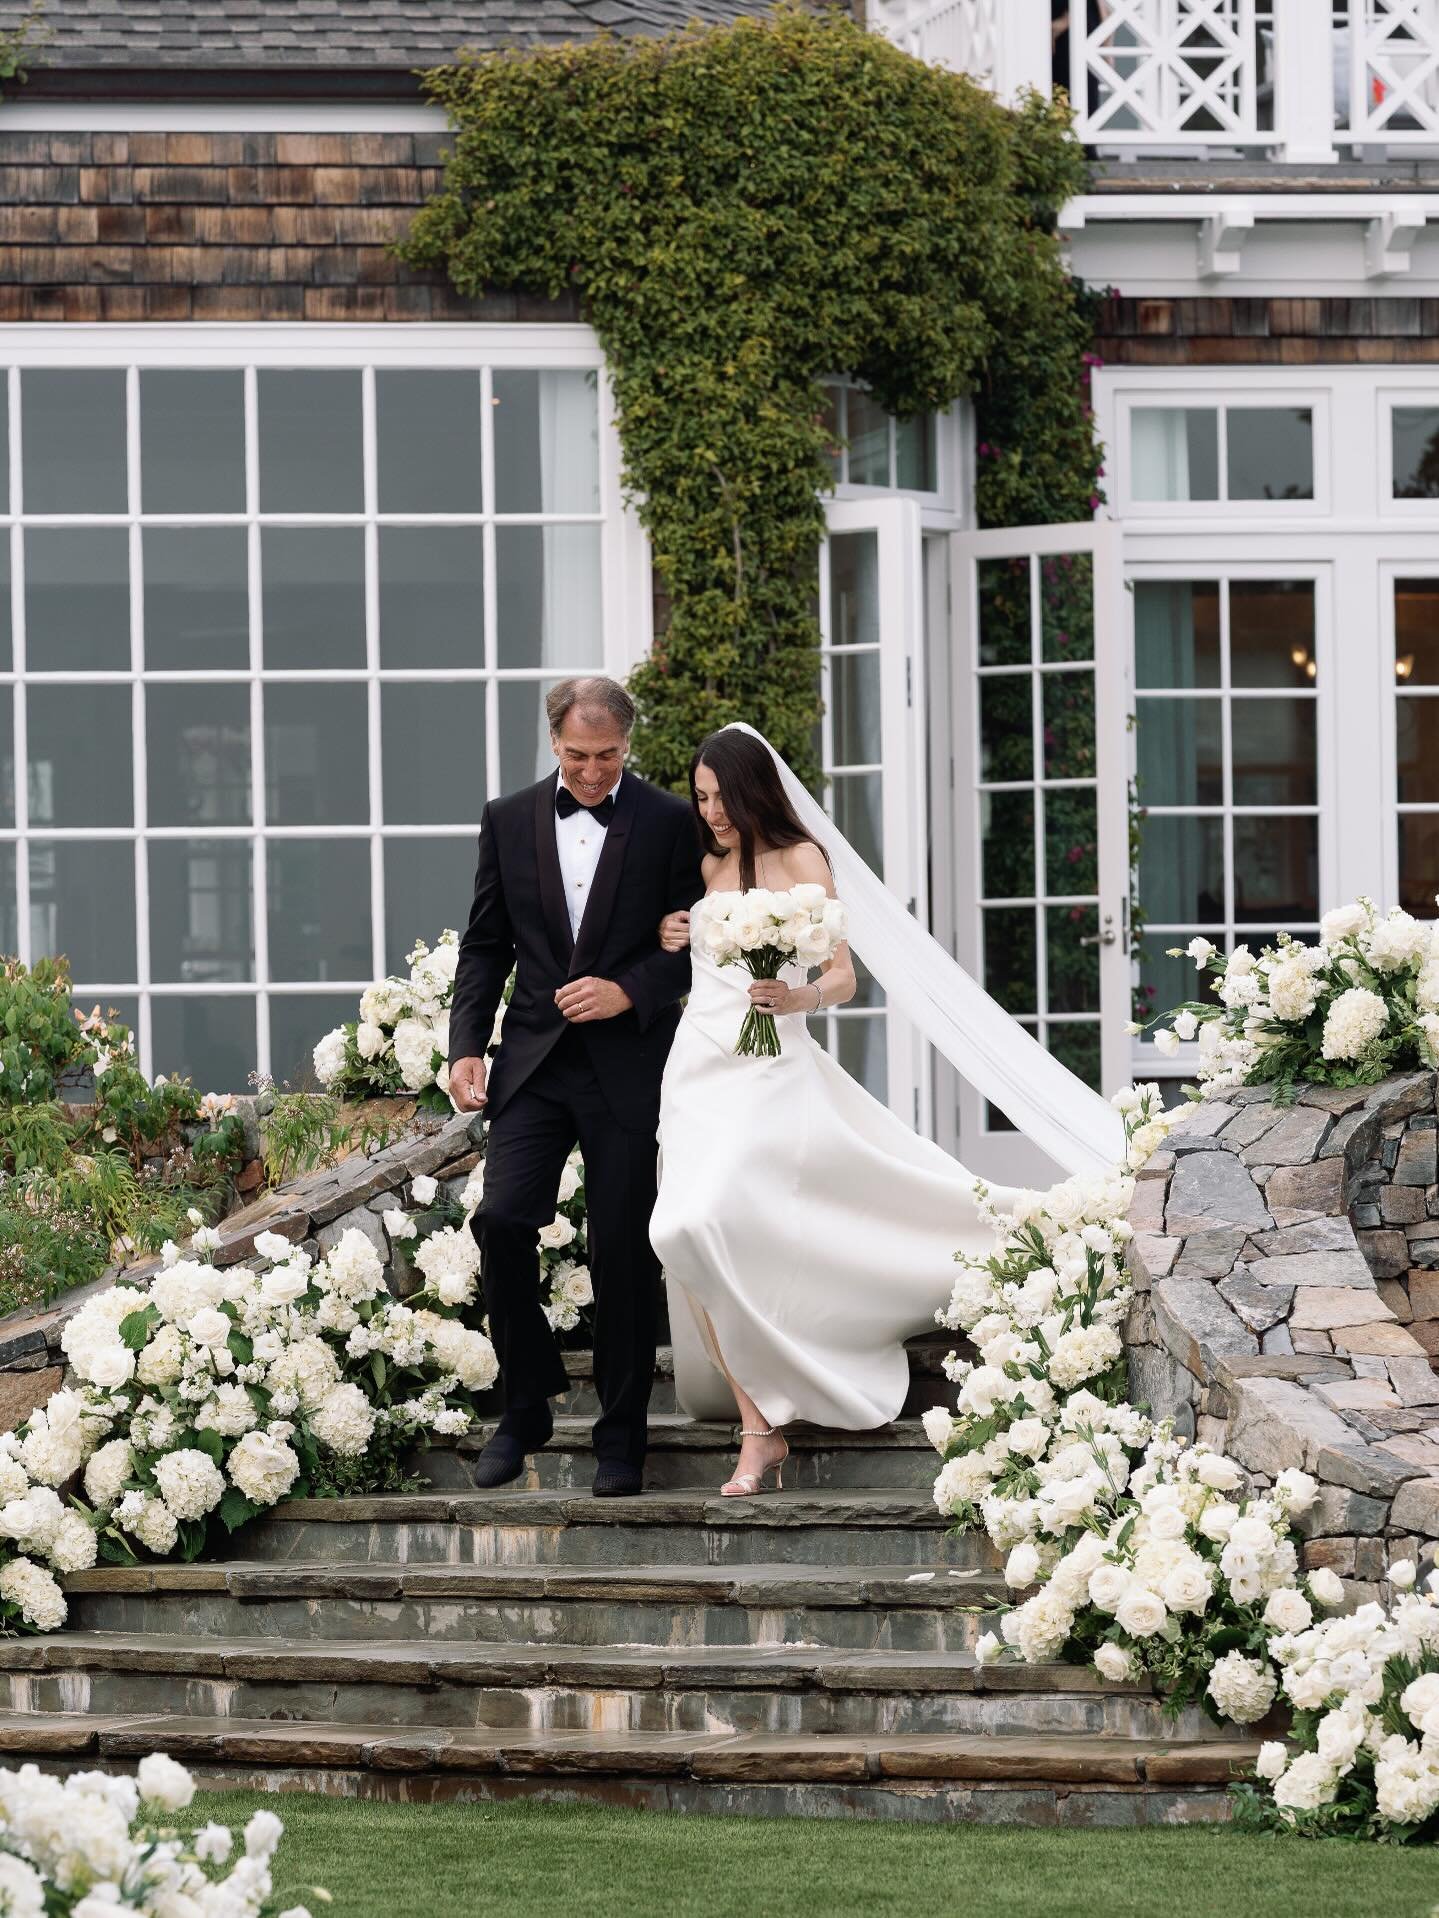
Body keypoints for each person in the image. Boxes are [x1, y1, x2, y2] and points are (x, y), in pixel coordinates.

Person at [649, 727, 1009, 1498]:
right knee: (678, 1233)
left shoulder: (803, 860)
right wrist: (674, 931)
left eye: (721, 797)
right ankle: (759, 1429)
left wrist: (797, 996)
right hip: (695, 1072)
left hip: (766, 1068)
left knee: (706, 1220)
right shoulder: (709, 866)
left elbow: (842, 976)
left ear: (753, 791)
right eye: (701, 797)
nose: (710, 812)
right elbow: (697, 953)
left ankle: (777, 1402)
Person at [446, 676, 704, 1499]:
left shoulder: (669, 821)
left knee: (623, 1253)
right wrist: (465, 1047)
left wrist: (629, 989)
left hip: (628, 1064)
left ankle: (621, 1438)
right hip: (532, 1062)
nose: (592, 773)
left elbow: (704, 941)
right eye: (577, 757)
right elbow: (485, 943)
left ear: (629, 744)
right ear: (552, 742)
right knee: (501, 1221)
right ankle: (524, 1409)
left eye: (607, 757)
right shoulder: (508, 817)